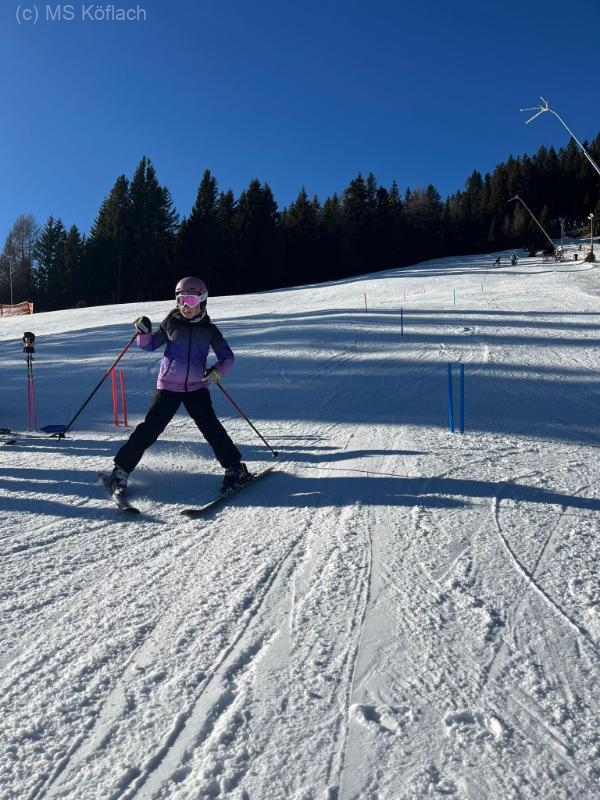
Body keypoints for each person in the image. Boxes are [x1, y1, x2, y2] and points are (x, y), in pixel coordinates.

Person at [107, 276, 249, 495]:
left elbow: (227, 357)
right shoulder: (171, 324)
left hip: (196, 387)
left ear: (202, 301)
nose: (185, 306)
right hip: (168, 387)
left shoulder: (209, 330)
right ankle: (121, 470)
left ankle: (235, 468)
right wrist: (144, 333)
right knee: (150, 428)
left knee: (211, 428)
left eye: (191, 301)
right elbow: (150, 345)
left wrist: (217, 371)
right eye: (181, 300)